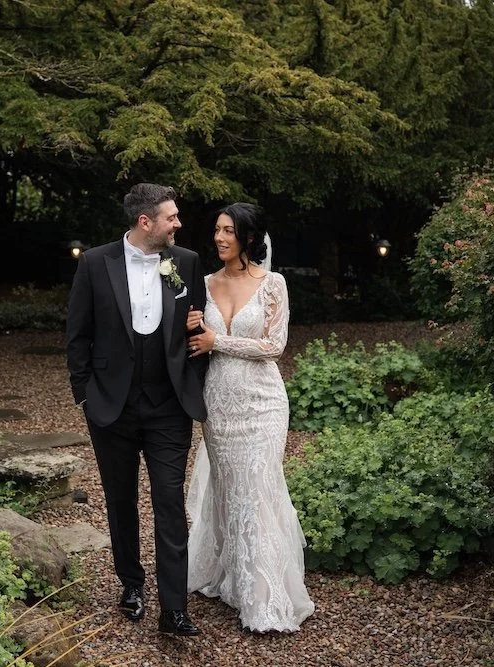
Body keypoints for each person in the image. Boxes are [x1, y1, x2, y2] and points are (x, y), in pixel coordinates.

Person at [65, 183, 209, 636]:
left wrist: (191, 381)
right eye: (171, 217)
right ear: (145, 222)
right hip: (111, 406)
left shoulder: (184, 262)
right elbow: (77, 335)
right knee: (120, 499)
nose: (178, 224)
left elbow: (197, 329)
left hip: (169, 406)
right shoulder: (94, 262)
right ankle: (131, 584)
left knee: (169, 502)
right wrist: (85, 395)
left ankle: (175, 608)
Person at [184, 202, 315, 633]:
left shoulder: (273, 283)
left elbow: (273, 346)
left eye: (229, 231)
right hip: (219, 403)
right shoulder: (202, 284)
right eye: (217, 230)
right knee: (229, 492)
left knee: (257, 489)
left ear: (250, 238)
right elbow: (190, 338)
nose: (220, 238)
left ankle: (264, 597)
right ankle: (233, 578)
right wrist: (189, 326)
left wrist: (216, 340)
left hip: (264, 402)